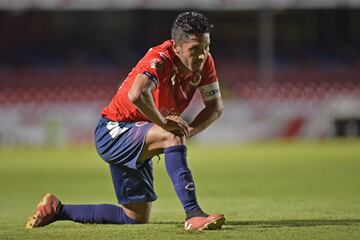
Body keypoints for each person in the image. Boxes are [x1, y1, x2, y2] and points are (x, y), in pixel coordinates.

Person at [26, 11, 225, 231]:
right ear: (176, 47)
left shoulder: (205, 63)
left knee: (134, 217)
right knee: (171, 136)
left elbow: (215, 107)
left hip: (138, 132)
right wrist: (165, 124)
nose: (202, 55)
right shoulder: (159, 58)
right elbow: (137, 94)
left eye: (207, 47)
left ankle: (57, 209)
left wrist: (189, 130)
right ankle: (193, 214)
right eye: (195, 49)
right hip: (113, 131)